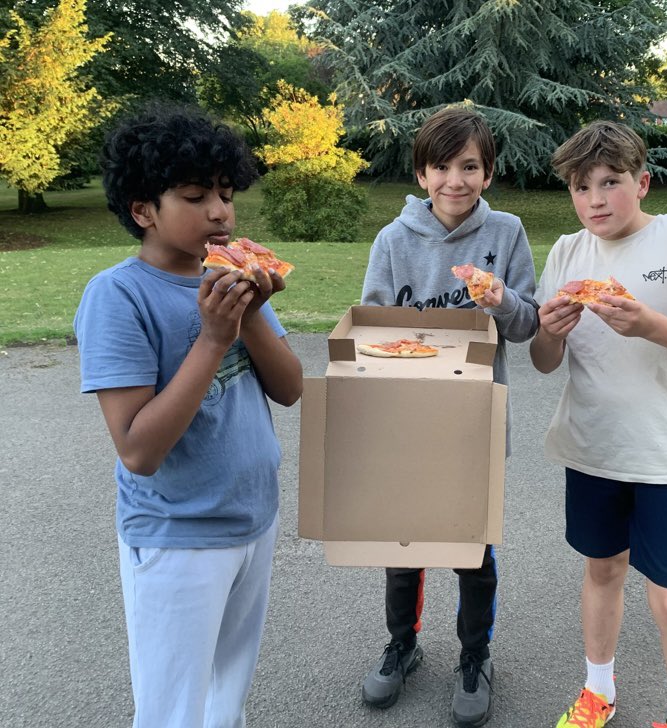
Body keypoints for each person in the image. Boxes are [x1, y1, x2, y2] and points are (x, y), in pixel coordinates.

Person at [73, 103, 303, 728]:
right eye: (196, 196)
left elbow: (289, 389)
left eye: (226, 194)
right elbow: (138, 450)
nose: (221, 212)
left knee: (226, 698)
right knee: (174, 711)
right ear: (143, 210)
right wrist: (211, 338)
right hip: (178, 536)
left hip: (253, 519)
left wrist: (251, 313)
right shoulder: (117, 296)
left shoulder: (230, 278)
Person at [530, 120, 667, 728]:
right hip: (593, 447)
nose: (595, 199)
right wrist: (549, 330)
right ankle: (599, 691)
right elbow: (546, 364)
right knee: (602, 569)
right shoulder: (569, 252)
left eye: (610, 182)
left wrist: (649, 324)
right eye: (580, 187)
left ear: (642, 182)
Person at [359, 106, 539, 727]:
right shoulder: (393, 240)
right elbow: (371, 328)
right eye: (441, 167)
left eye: (469, 167)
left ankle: (474, 655)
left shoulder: (507, 233)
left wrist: (502, 298)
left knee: (472, 549)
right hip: (409, 421)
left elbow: (528, 323)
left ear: (488, 173)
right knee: (404, 541)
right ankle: (402, 645)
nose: (454, 181)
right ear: (421, 171)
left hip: (476, 419)